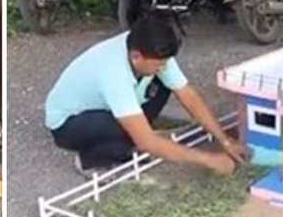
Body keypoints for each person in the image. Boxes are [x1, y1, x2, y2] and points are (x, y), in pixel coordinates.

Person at [44, 14, 248, 175]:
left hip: (110, 106)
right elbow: (146, 142)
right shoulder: (113, 72)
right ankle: (90, 161)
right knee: (131, 139)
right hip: (69, 123)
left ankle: (139, 129)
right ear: (136, 56)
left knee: (165, 83)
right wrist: (209, 160)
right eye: (159, 63)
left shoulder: (150, 49)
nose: (164, 66)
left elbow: (187, 94)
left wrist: (225, 141)